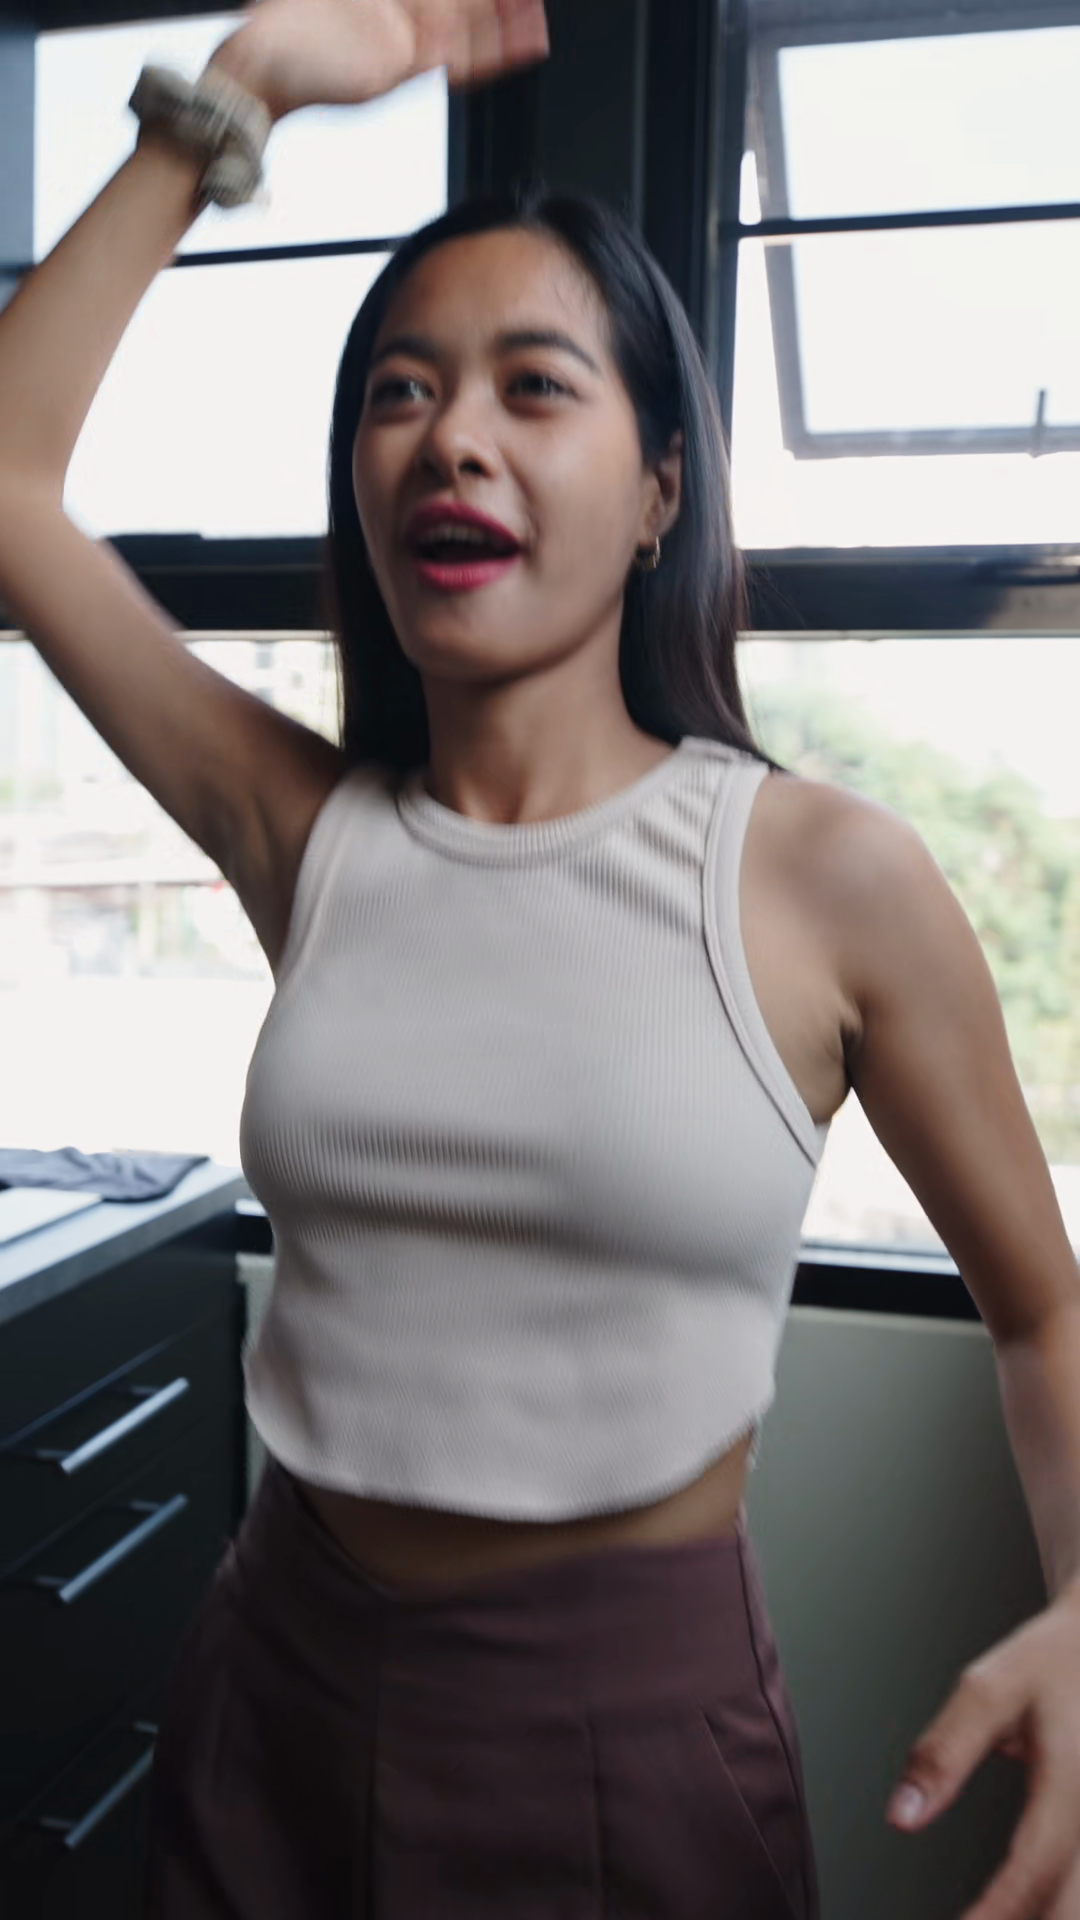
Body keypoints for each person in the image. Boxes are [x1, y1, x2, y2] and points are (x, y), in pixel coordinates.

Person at [2, 2, 1080, 1915]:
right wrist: (234, 94)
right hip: (269, 1690)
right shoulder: (307, 834)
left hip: (626, 1742)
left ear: (662, 487)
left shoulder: (826, 876)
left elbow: (1045, 1317)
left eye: (533, 386)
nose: (453, 439)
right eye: (399, 393)